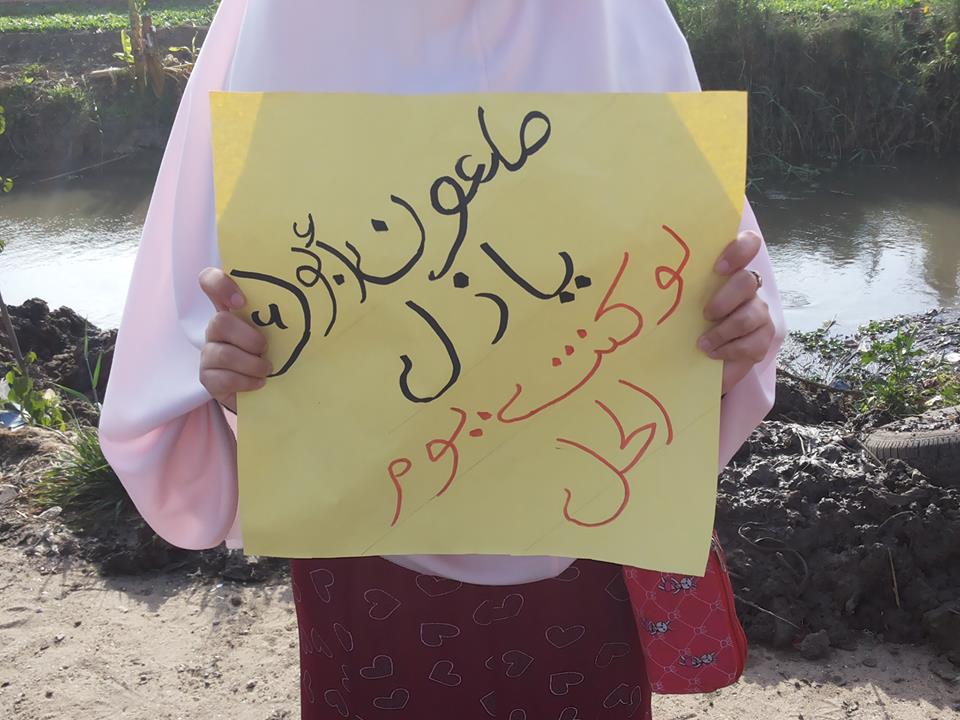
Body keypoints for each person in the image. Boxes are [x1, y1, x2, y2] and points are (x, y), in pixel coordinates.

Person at [100, 2, 785, 718]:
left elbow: (709, 292)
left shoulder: (613, 17)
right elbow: (222, 315)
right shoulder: (290, 18)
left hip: (586, 535)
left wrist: (720, 344)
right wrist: (235, 373)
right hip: (367, 544)